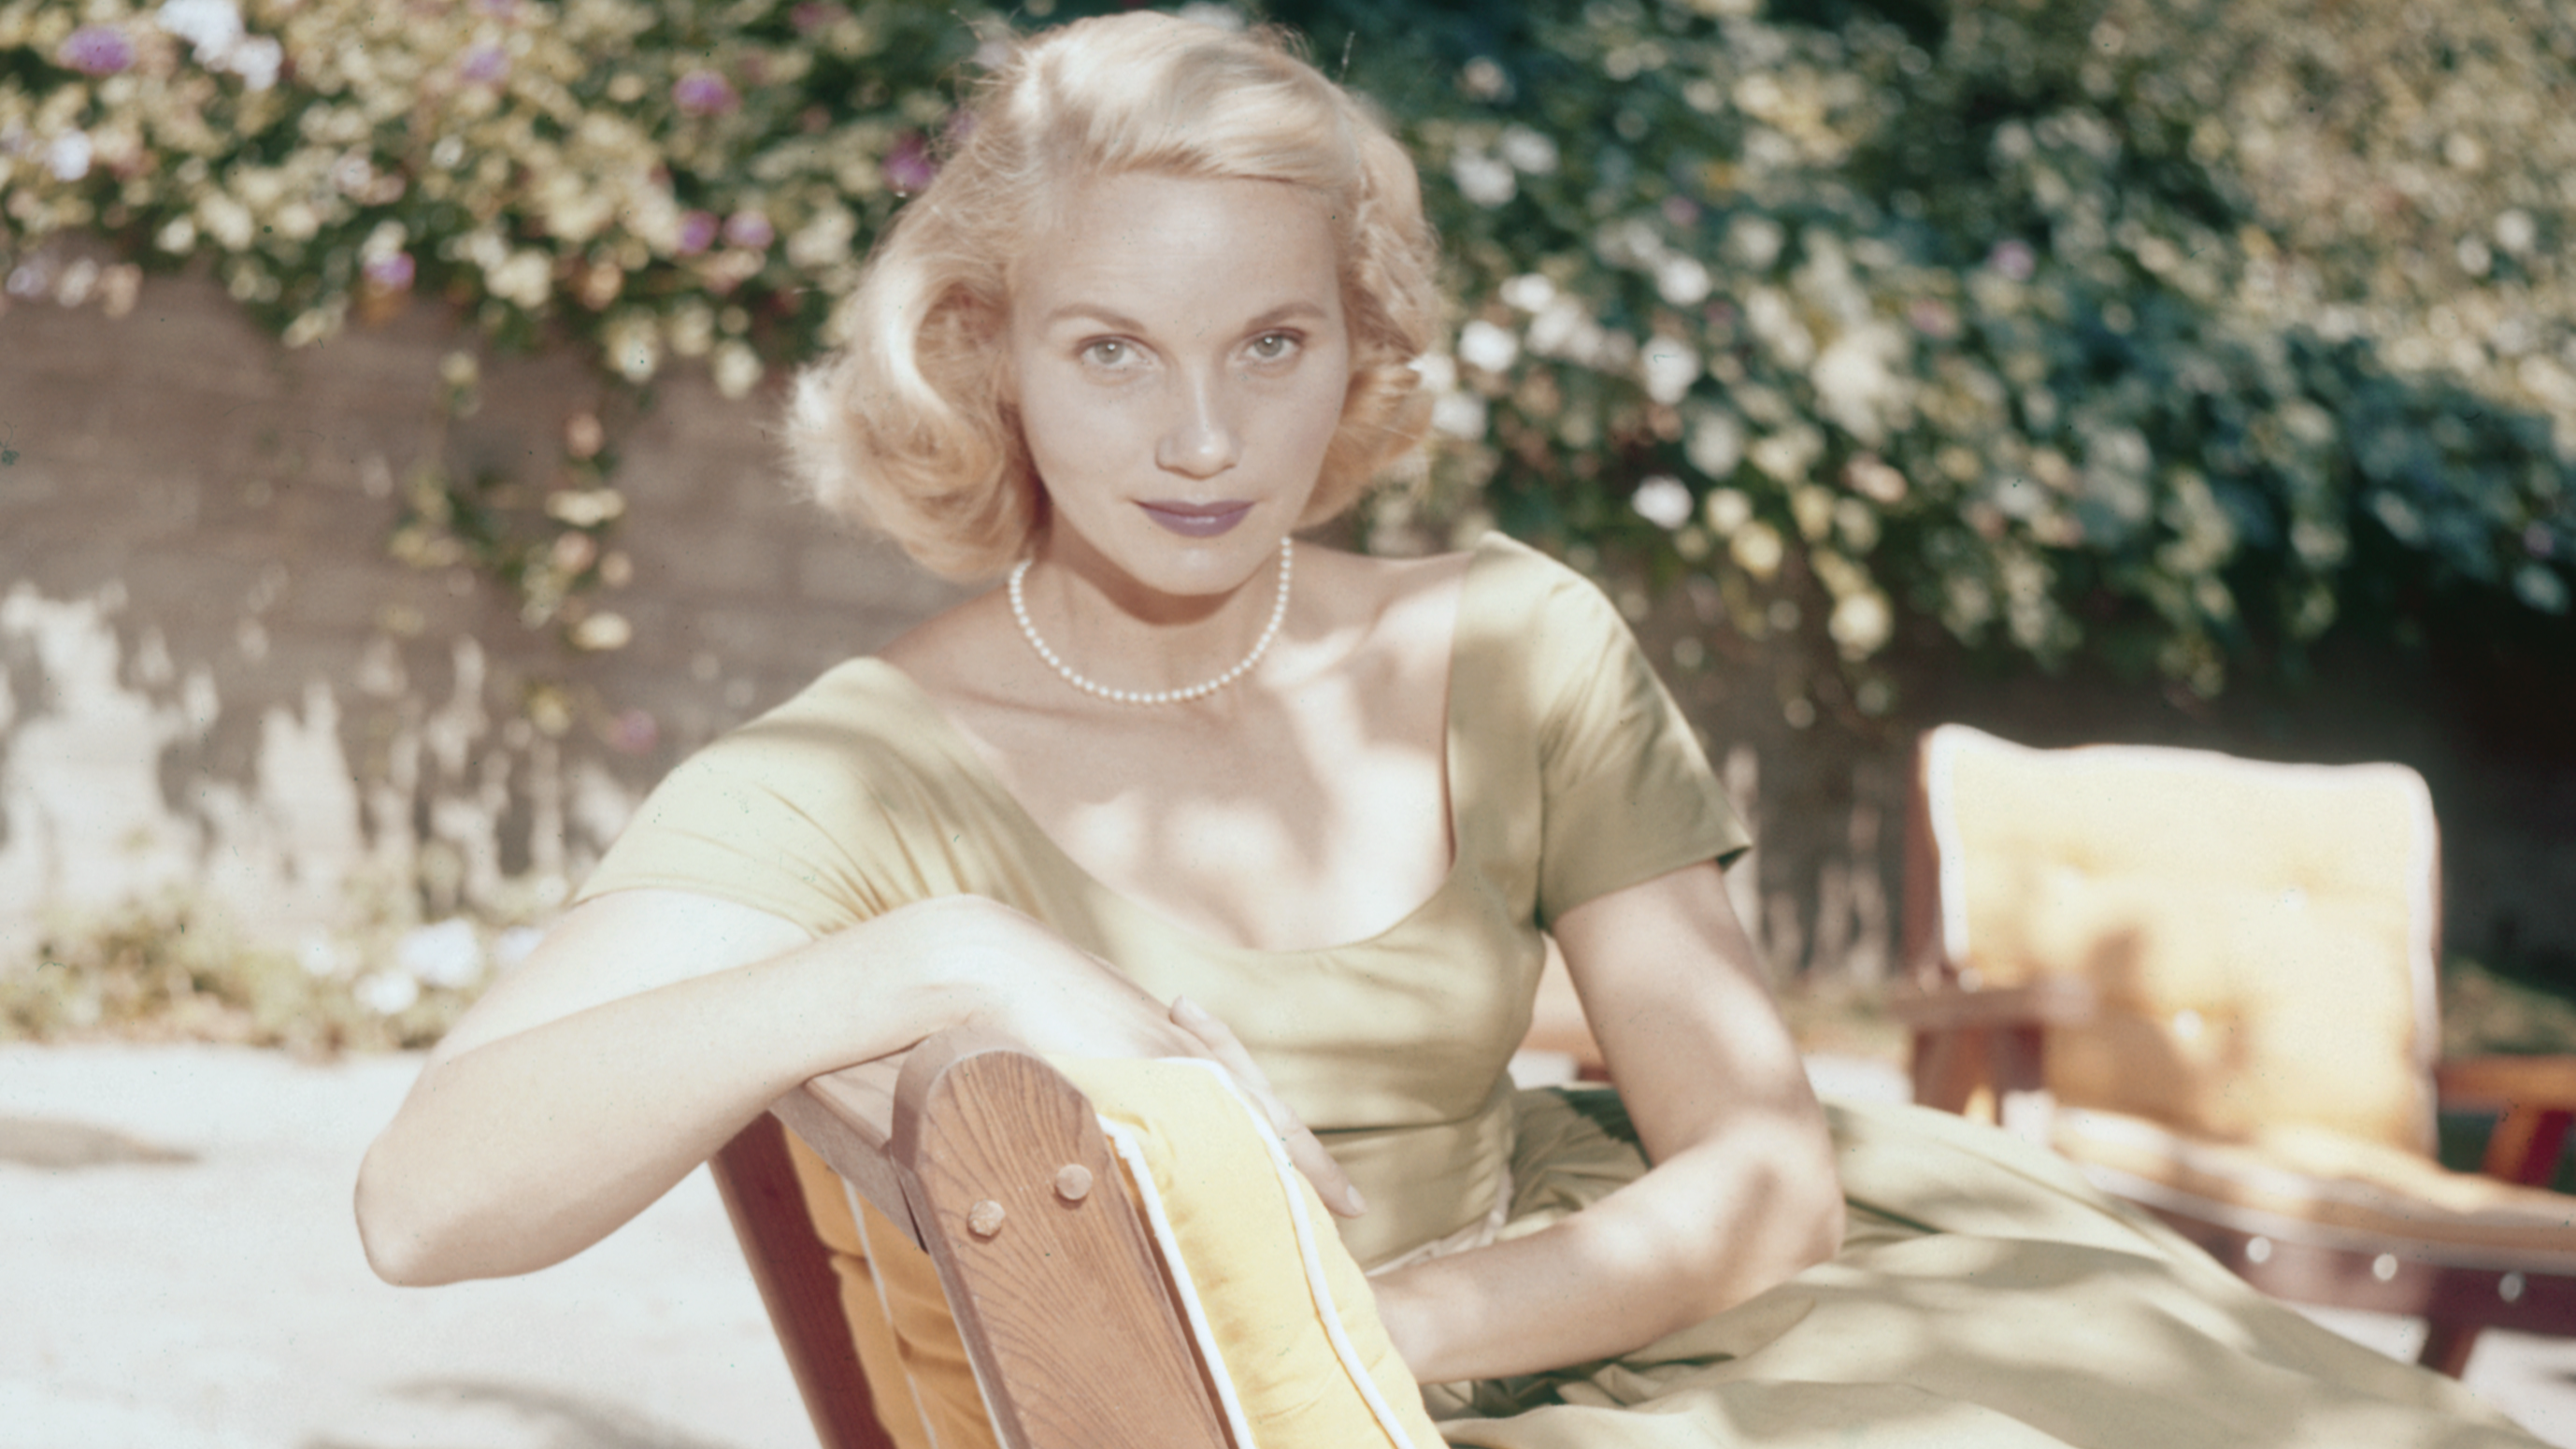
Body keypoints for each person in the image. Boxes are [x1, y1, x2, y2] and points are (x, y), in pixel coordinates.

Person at [357, 13, 2546, 1446]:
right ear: (986, 354)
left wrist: (1386, 1332)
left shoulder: (1515, 644)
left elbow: (1765, 1172)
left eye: (1271, 341)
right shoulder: (858, 770)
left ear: (1358, 350)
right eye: (1111, 350)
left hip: (1653, 1312)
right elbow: (424, 1204)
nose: (1203, 436)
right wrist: (930, 959)